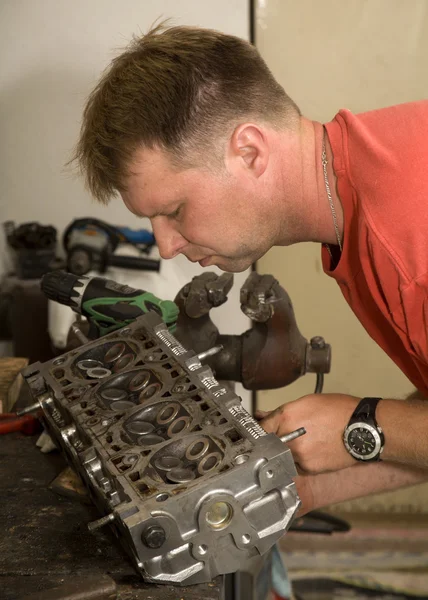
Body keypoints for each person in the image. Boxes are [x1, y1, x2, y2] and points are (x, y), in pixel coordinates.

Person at [73, 23, 428, 519]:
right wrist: (309, 488)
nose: (167, 246)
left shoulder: (407, 245)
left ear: (249, 152)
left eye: (174, 210)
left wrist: (358, 424)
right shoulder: (371, 170)